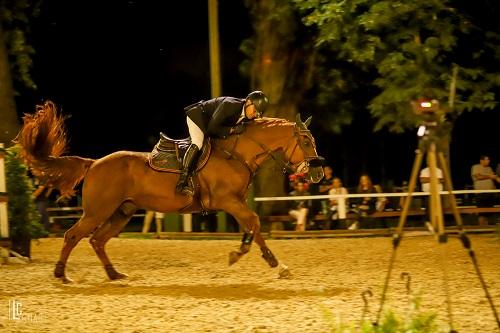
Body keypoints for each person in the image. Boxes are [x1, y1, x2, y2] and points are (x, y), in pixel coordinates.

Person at [176, 91, 269, 196]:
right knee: (198, 143)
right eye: (255, 110)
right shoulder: (230, 105)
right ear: (248, 102)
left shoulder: (248, 116)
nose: (255, 115)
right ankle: (182, 181)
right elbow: (212, 129)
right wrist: (232, 130)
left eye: (258, 114)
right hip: (198, 118)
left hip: (213, 125)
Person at [471, 155, 499, 225]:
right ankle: (481, 228)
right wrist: (489, 176)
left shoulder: (489, 168)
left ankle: (486, 227)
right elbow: (478, 176)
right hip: (481, 193)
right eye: (487, 160)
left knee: (488, 212)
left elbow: (495, 177)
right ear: (481, 160)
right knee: (481, 212)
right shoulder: (476, 167)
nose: (488, 161)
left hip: (490, 193)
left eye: (489, 160)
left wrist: (494, 177)